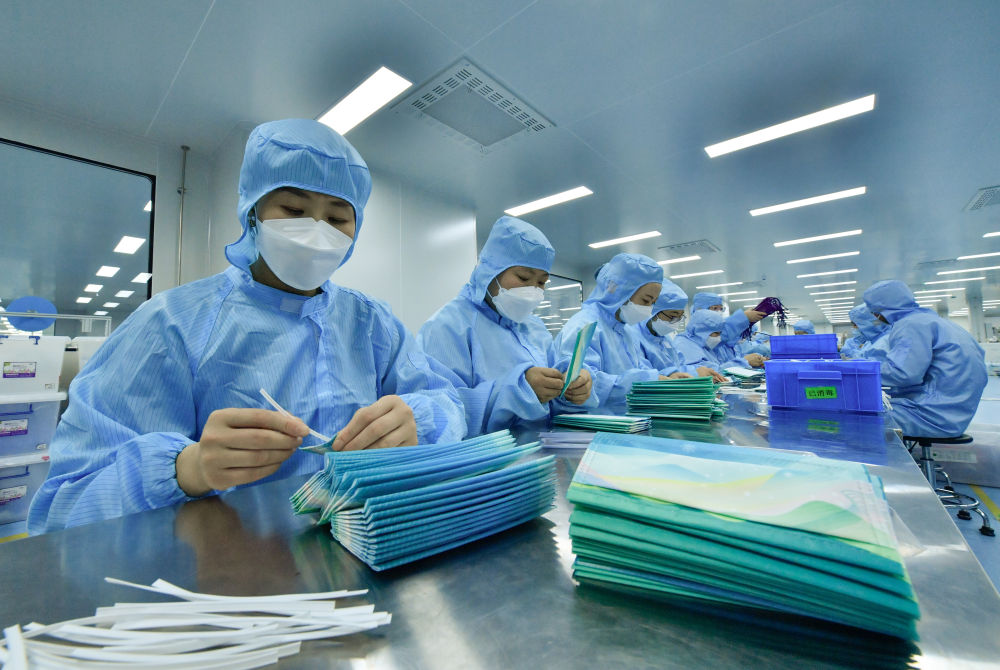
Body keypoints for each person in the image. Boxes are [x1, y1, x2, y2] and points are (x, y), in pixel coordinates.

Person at [29, 119, 466, 533]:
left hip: (362, 547)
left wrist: (416, 422)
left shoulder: (372, 323)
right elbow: (63, 506)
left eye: (337, 219)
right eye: (293, 209)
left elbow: (448, 404)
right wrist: (187, 469)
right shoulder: (171, 324)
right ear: (252, 211)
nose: (316, 232)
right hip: (226, 567)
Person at [418, 216, 592, 434]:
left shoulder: (535, 328)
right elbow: (439, 413)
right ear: (490, 271)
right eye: (523, 277)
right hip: (487, 454)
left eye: (541, 282)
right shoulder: (447, 326)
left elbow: (552, 405)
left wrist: (571, 389)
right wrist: (516, 392)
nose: (533, 290)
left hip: (543, 448)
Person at [553, 253, 678, 414]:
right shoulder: (585, 325)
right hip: (595, 424)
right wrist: (645, 381)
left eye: (653, 303)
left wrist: (666, 376)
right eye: (645, 301)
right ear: (620, 290)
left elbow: (640, 367)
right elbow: (582, 384)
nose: (648, 309)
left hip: (627, 421)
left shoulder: (626, 331)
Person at [863, 280, 987, 437]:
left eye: (875, 312)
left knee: (852, 415)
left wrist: (860, 372)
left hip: (929, 416)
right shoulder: (933, 321)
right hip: (953, 413)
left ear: (885, 309)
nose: (876, 317)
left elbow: (903, 373)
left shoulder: (910, 325)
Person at [637, 283, 726, 382]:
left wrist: (696, 371)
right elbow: (641, 376)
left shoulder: (665, 339)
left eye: (680, 317)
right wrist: (693, 373)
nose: (675, 322)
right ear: (653, 310)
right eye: (672, 316)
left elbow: (679, 365)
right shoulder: (635, 336)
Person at [672, 310, 754, 372]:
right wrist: (742, 362)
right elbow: (709, 373)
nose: (719, 338)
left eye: (720, 333)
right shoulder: (684, 344)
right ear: (702, 331)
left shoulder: (704, 345)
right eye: (716, 333)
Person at [690, 291, 767, 354]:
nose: (719, 312)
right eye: (715, 308)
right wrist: (743, 318)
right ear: (700, 310)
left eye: (721, 309)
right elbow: (725, 333)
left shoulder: (717, 338)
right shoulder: (695, 338)